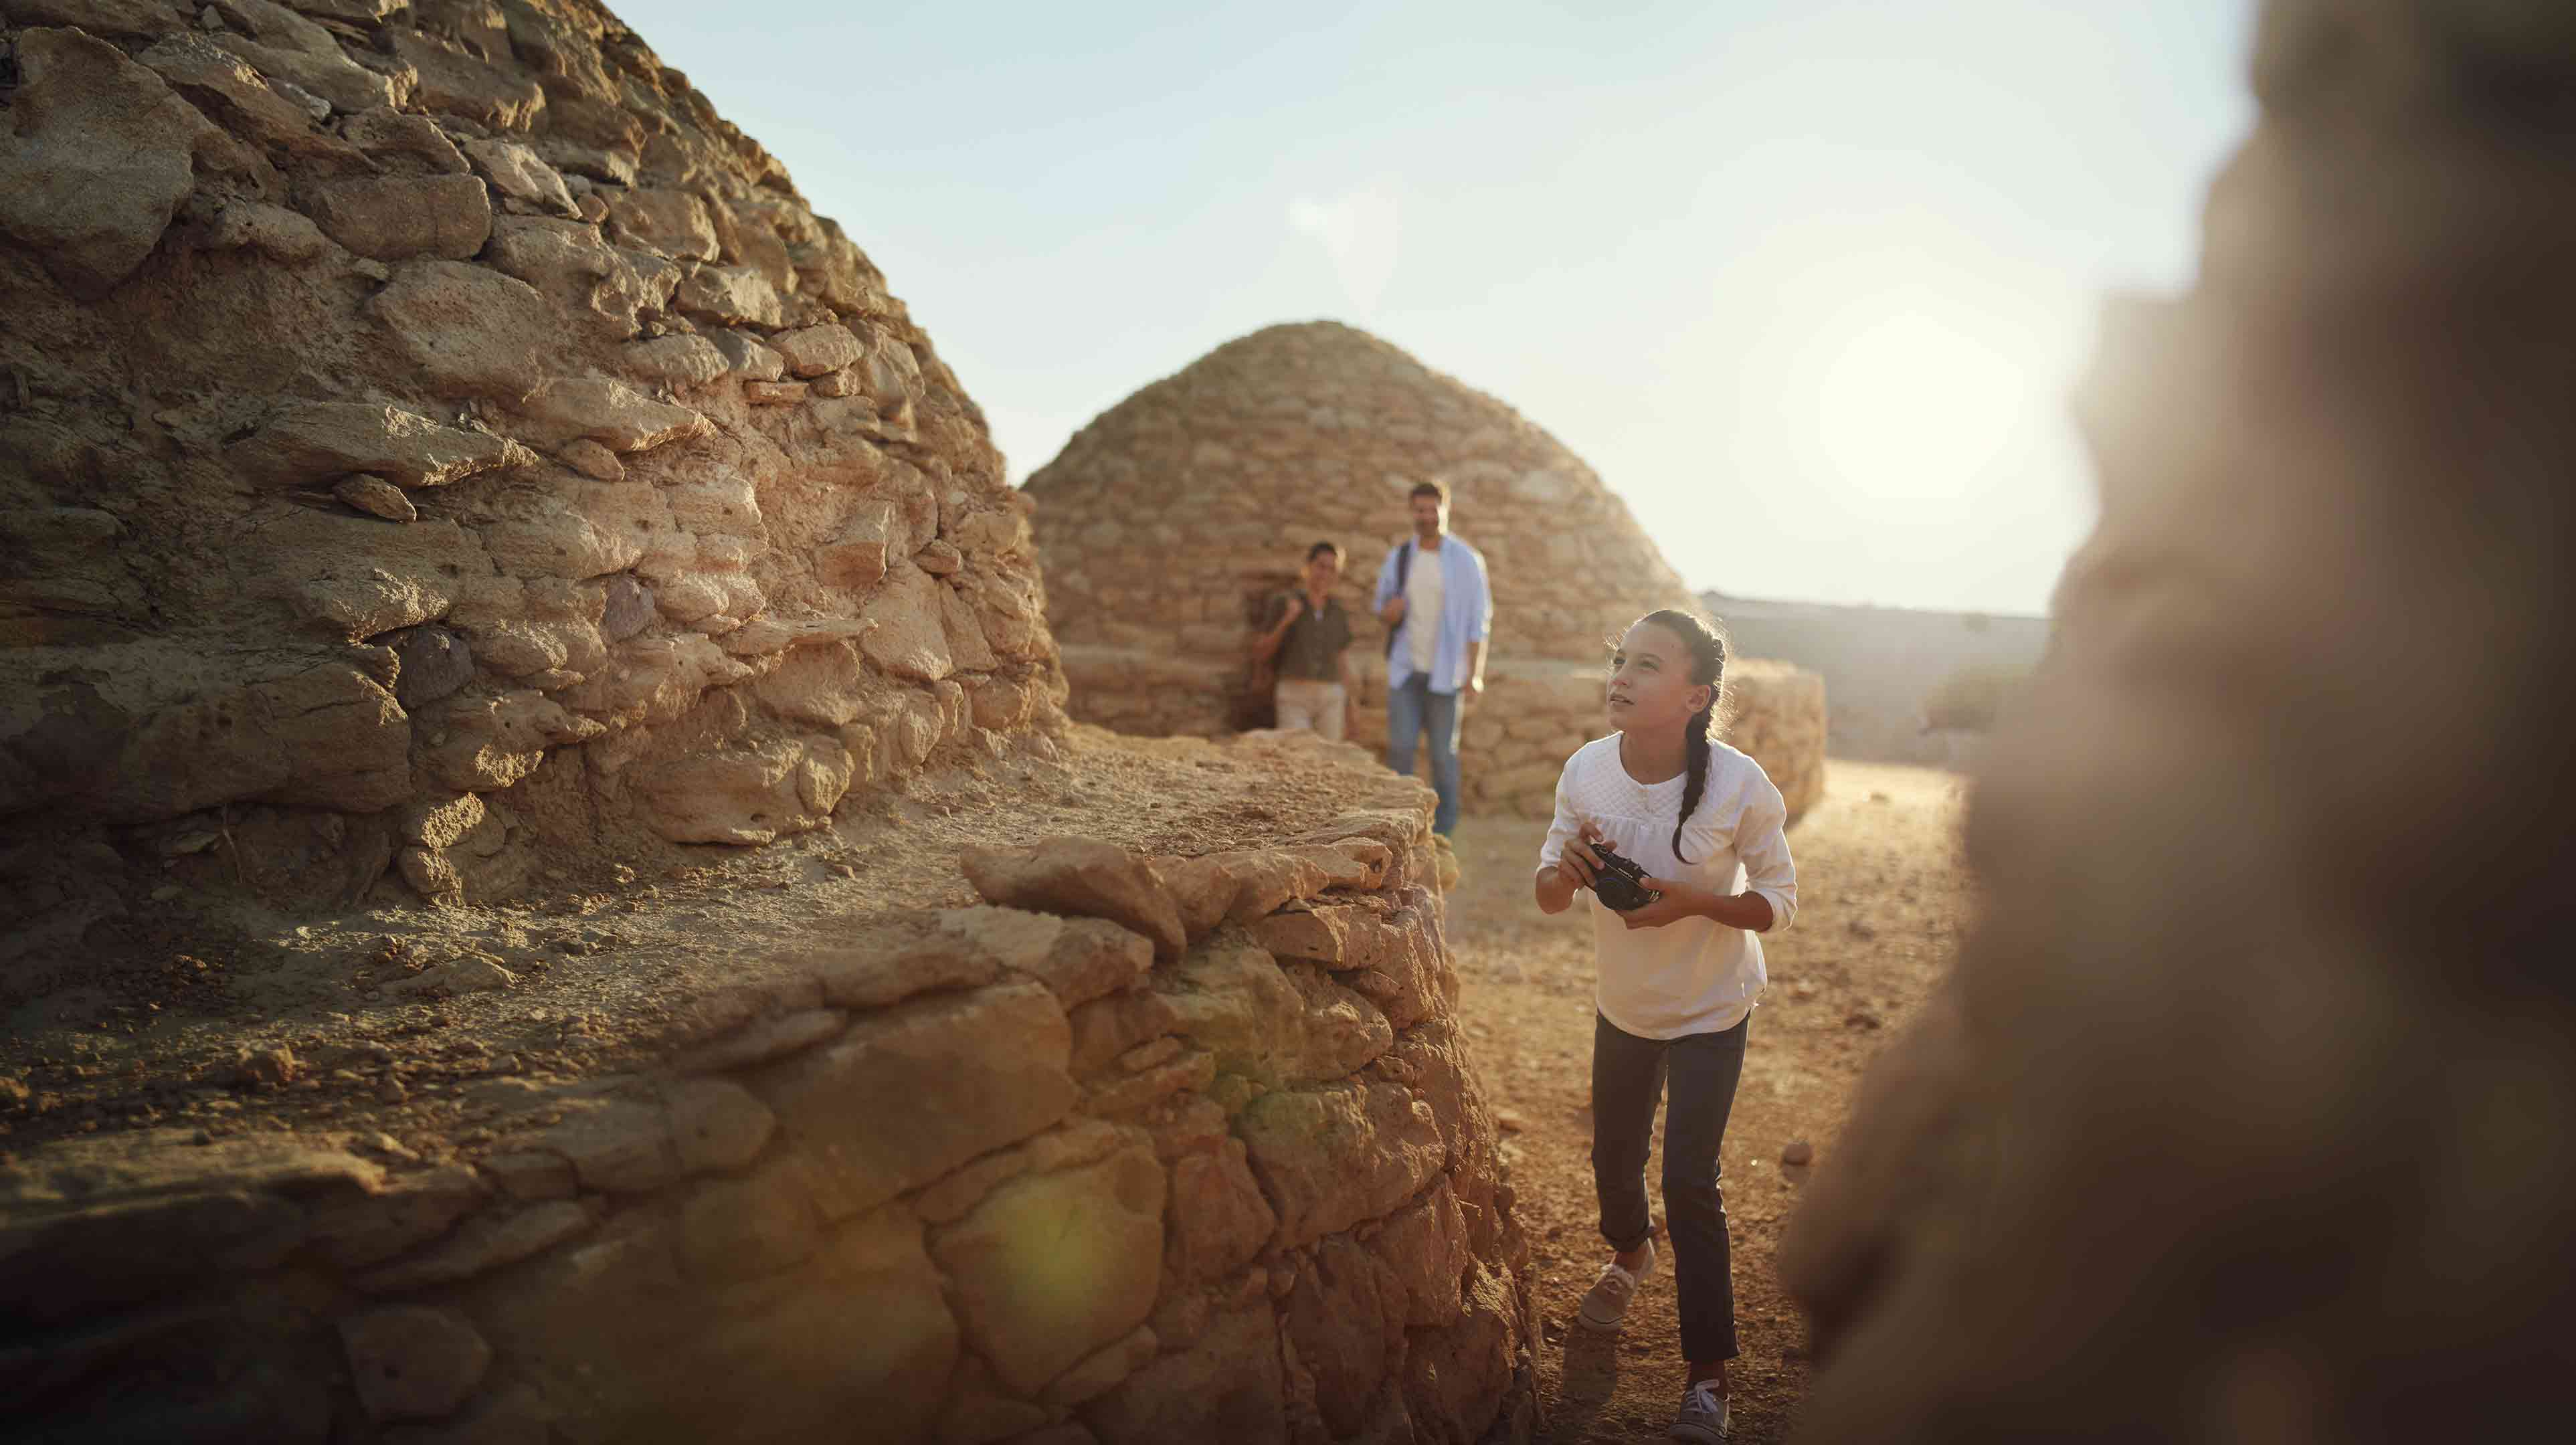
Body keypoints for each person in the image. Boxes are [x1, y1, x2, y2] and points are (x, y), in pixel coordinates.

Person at [1534, 608, 1799, 1445]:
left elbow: (1778, 903)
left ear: (1695, 696)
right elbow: (1546, 889)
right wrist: (1568, 873)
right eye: (1620, 659)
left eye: (1645, 665)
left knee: (1690, 1182)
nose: (1621, 675)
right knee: (1613, 1156)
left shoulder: (1739, 783)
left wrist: (1693, 904)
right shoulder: (1584, 771)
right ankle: (1628, 1254)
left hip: (1714, 1010)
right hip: (1626, 1008)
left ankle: (1708, 1378)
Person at [1372, 479, 1491, 836]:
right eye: (1420, 510)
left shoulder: (1466, 561)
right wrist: (1389, 612)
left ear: (1445, 510)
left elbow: (1478, 621)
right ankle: (1398, 827)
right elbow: (1383, 608)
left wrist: (1475, 673)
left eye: (1432, 510)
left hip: (1447, 674)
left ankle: (1444, 831)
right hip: (1406, 672)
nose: (1426, 516)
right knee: (1402, 750)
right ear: (1412, 513)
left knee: (1443, 756)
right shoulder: (1400, 558)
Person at [1252, 540, 1358, 741]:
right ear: (1308, 567)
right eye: (1321, 566)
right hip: (1294, 694)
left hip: (1331, 696)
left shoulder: (1338, 611)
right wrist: (1287, 621)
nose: (1325, 574)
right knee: (1296, 755)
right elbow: (1261, 652)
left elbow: (1342, 659)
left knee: (1330, 759)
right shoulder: (1284, 602)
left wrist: (1350, 704)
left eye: (1332, 569)